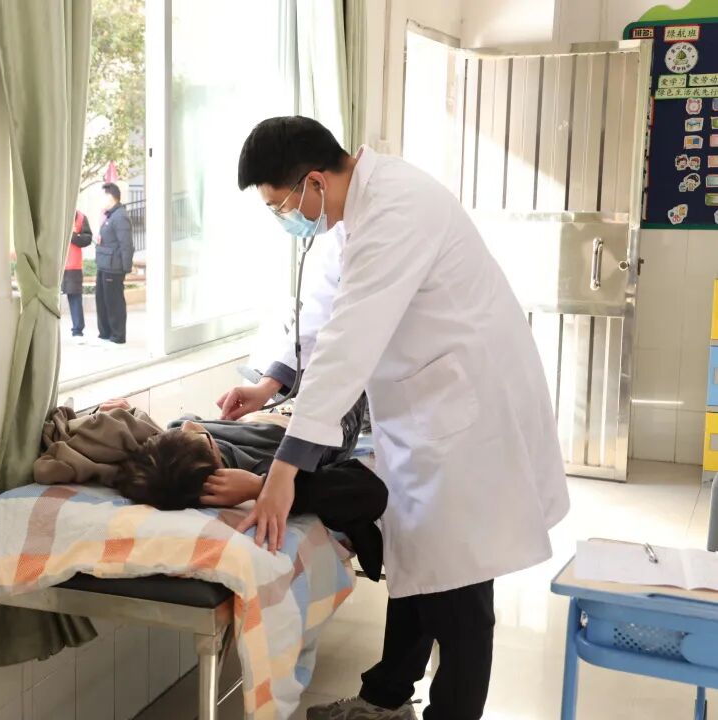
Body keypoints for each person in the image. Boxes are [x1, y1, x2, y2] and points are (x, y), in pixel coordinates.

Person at [217, 116, 569, 720]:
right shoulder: (354, 211)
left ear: (313, 182)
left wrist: (282, 473)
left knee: (459, 591)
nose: (286, 219)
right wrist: (269, 383)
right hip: (425, 414)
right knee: (420, 566)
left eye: (282, 207)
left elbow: (348, 341)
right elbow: (326, 307)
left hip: (466, 418)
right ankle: (385, 701)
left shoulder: (397, 208)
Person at [100, 398, 387, 581]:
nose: (187, 424)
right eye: (197, 436)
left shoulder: (177, 454)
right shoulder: (272, 469)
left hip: (269, 409)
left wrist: (132, 413)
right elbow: (370, 492)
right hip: (311, 426)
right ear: (215, 463)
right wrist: (260, 487)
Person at [95, 182, 134, 344]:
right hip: (104, 265)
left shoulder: (120, 216)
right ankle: (105, 334)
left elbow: (126, 245)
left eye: (103, 196)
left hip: (114, 267)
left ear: (111, 197)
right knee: (102, 301)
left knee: (114, 302)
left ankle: (117, 336)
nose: (101, 200)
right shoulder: (110, 215)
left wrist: (125, 268)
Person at [64, 210, 93, 337]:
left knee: (75, 297)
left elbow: (88, 239)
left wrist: (73, 236)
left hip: (73, 265)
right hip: (54, 265)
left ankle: (77, 331)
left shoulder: (80, 217)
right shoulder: (53, 213)